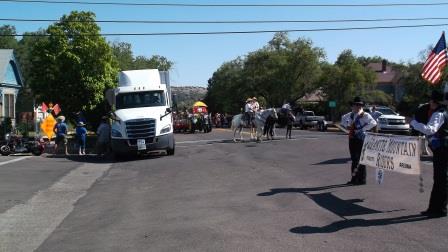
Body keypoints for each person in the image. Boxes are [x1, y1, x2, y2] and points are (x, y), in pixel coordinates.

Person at [410, 89, 448, 218]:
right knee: (439, 179)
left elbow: (430, 130)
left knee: (441, 180)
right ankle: (434, 208)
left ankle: (440, 209)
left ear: (434, 101)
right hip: (441, 149)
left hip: (443, 149)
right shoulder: (441, 112)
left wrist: (414, 123)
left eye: (430, 100)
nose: (429, 102)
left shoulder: (439, 114)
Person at [341, 96, 377, 185]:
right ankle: (354, 179)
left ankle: (361, 179)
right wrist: (347, 125)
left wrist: (362, 129)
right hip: (352, 138)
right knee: (354, 159)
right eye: (356, 105)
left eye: (360, 105)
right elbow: (343, 120)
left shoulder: (365, 115)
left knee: (360, 159)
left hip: (361, 139)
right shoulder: (350, 114)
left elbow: (373, 123)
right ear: (352, 106)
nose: (358, 107)